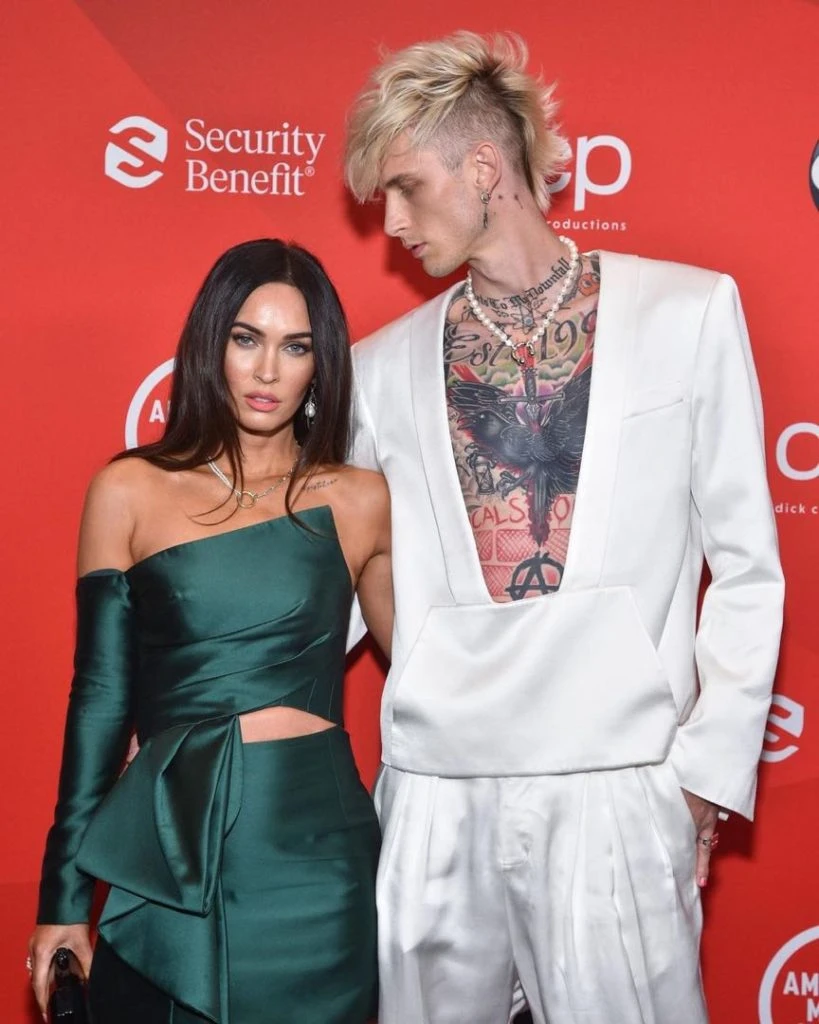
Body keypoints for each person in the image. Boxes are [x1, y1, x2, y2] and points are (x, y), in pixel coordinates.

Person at [344, 30, 784, 1024]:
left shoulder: (687, 312)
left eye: (407, 187)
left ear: (483, 168)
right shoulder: (376, 368)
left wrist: (703, 777)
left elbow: (748, 569)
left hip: (617, 780)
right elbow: (336, 587)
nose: (393, 222)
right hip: (436, 786)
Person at [29, 238, 391, 1023]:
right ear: (210, 343)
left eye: (295, 347)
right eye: (245, 338)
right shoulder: (130, 489)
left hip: (319, 857)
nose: (267, 371)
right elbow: (99, 701)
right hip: (176, 850)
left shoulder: (360, 499)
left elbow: (432, 669)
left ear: (321, 364)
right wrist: (64, 897)